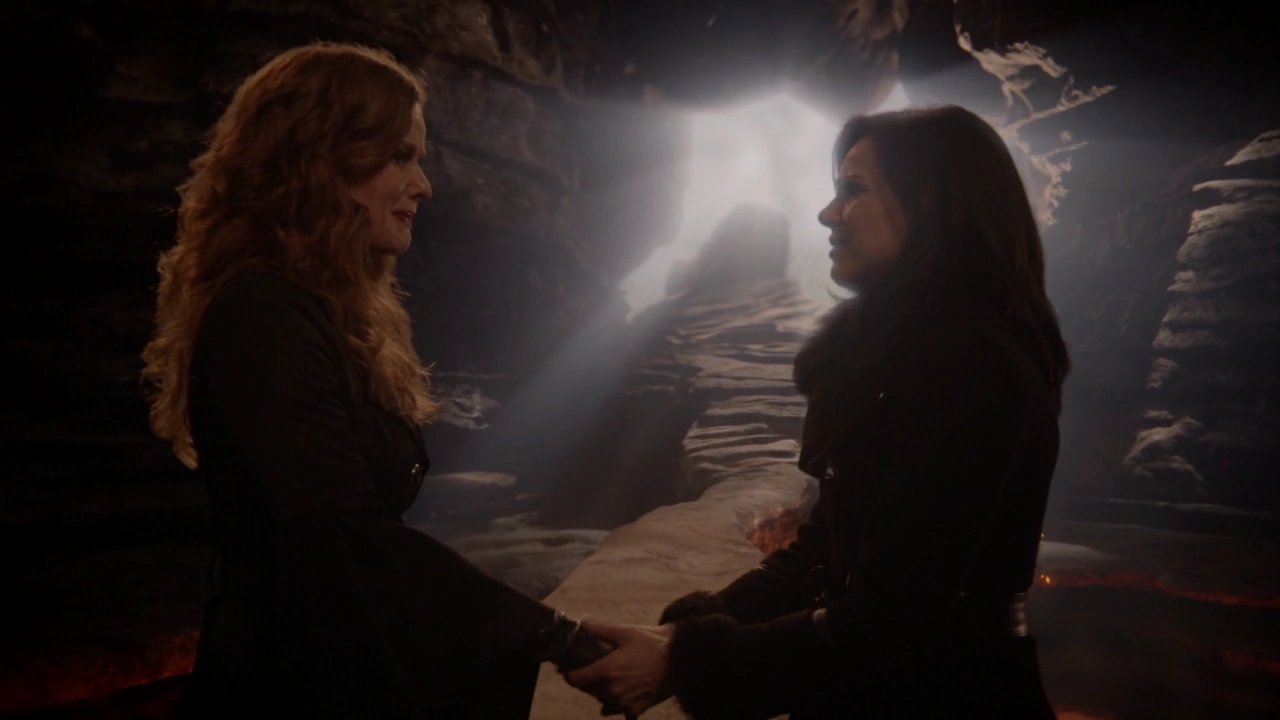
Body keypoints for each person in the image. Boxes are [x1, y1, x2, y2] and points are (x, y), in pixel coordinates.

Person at [140, 42, 611, 719]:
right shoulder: (264, 317)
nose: (424, 185)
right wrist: (556, 635)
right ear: (319, 158)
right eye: (401, 156)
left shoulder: (312, 310)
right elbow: (344, 535)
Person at [563, 104, 1069, 719]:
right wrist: (690, 632)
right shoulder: (916, 355)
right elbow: (824, 554)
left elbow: (897, 618)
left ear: (930, 204)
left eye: (852, 191)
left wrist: (684, 663)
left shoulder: (969, 365)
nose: (828, 214)